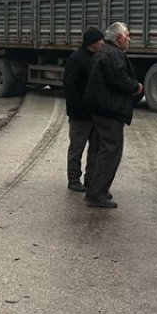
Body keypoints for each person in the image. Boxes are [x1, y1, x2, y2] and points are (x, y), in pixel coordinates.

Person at [82, 22, 143, 209]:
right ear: (118, 38)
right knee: (111, 151)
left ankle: (97, 189)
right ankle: (97, 194)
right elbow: (119, 80)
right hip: (109, 111)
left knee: (103, 150)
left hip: (102, 109)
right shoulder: (113, 54)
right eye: (127, 35)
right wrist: (136, 87)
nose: (129, 39)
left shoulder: (104, 52)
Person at [63, 27, 105, 192]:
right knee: (77, 148)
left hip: (94, 113)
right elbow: (70, 87)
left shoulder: (97, 57)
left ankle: (90, 179)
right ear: (92, 43)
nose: (102, 43)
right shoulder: (76, 59)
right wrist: (78, 108)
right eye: (100, 40)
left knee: (95, 148)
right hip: (80, 114)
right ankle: (73, 180)